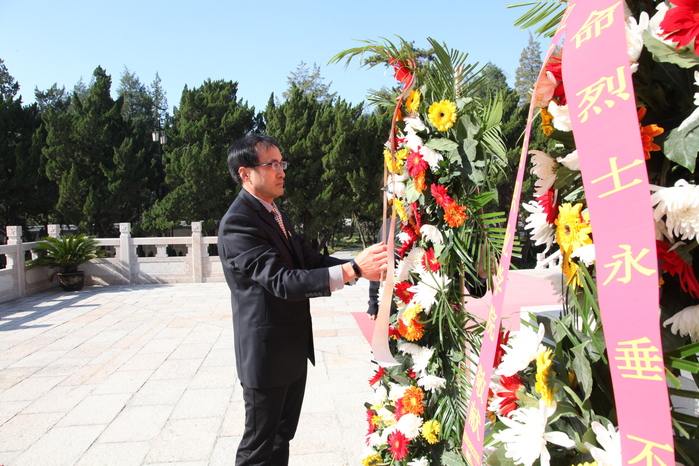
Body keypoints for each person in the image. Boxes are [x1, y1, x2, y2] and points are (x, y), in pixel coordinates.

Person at [218, 134, 388, 466]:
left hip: (291, 349)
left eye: (282, 163)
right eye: (271, 164)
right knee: (258, 448)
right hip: (266, 357)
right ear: (245, 173)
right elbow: (281, 281)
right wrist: (354, 269)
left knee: (281, 437)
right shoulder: (238, 222)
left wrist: (362, 268)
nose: (281, 171)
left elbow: (308, 260)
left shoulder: (274, 213)